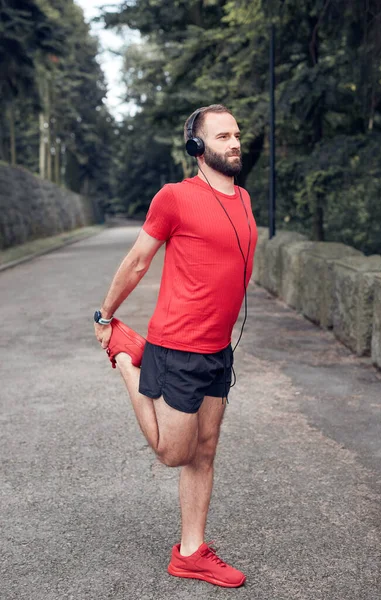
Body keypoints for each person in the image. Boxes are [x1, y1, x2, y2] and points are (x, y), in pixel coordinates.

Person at [94, 104, 258, 588]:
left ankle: (190, 552)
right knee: (173, 453)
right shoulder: (173, 198)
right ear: (197, 146)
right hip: (180, 345)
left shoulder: (244, 199)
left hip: (217, 349)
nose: (234, 143)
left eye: (237, 135)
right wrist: (106, 316)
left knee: (205, 451)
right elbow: (138, 260)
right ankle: (127, 357)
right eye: (223, 136)